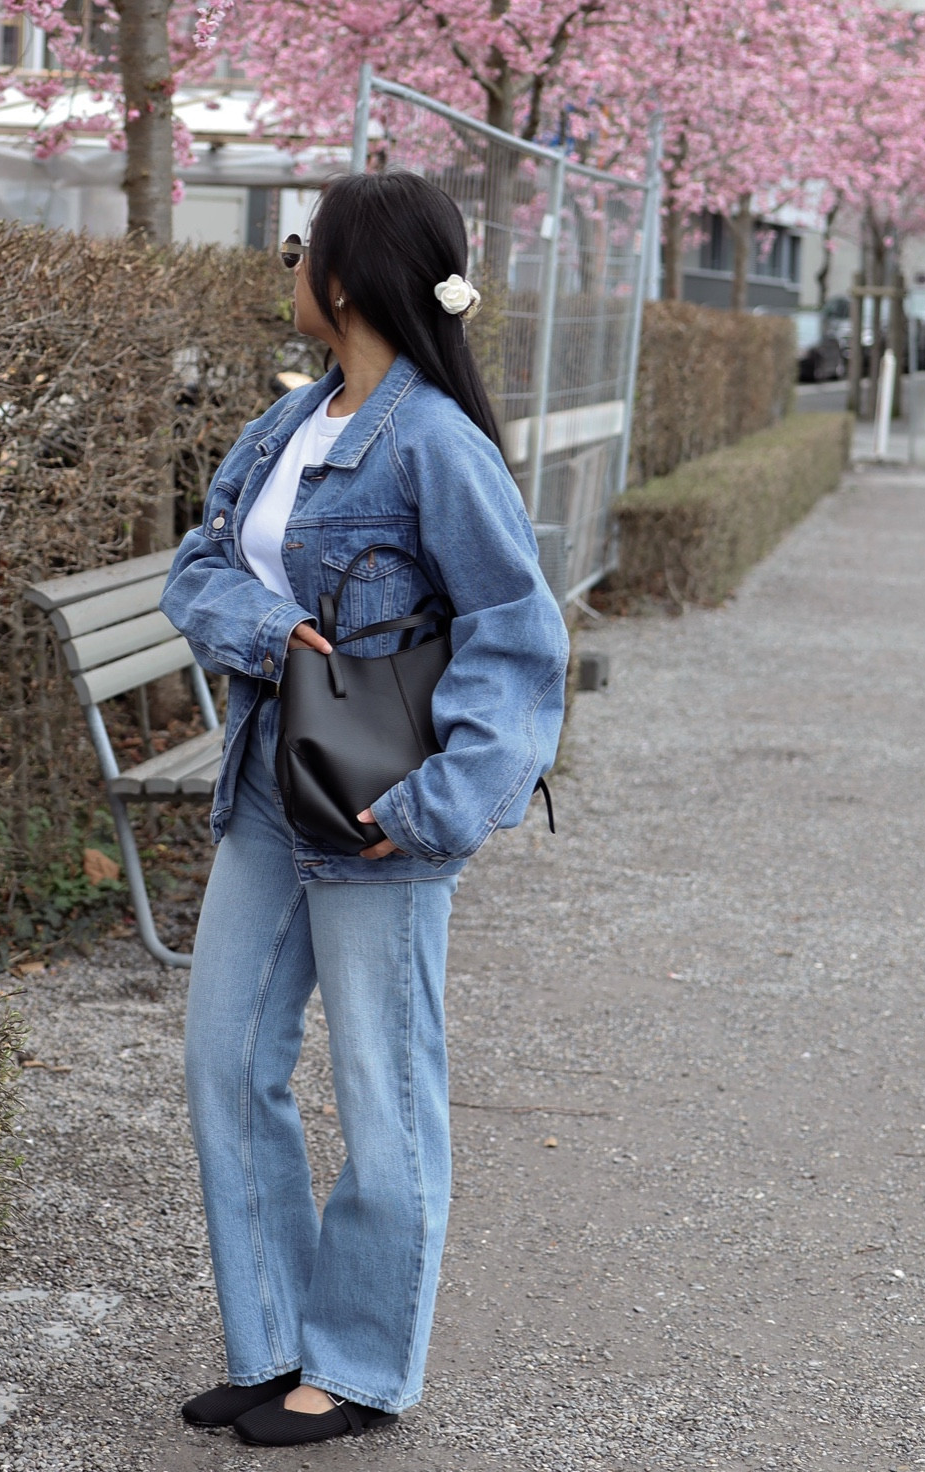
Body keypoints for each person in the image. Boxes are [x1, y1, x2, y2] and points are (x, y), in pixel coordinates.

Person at [159, 169, 569, 1448]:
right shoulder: (286, 421)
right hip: (268, 784)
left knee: (381, 1088)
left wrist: (441, 803)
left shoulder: (433, 442)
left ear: (341, 277)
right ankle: (276, 1341)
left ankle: (357, 1364)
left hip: (381, 807)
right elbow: (198, 565)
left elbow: (517, 635)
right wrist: (266, 624)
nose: (286, 266)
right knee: (225, 1059)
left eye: (299, 248)